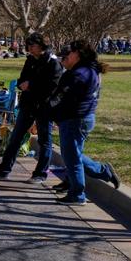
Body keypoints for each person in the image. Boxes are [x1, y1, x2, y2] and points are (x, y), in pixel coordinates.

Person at [47, 41, 120, 206]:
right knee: (73, 155)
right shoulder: (89, 70)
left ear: (77, 54)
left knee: (71, 157)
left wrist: (53, 115)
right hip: (82, 118)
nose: (67, 55)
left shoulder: (79, 74)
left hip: (76, 119)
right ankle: (104, 171)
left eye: (70, 52)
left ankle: (77, 194)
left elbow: (64, 100)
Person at [0, 33, 64, 183]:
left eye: (32, 45)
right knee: (15, 138)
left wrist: (31, 85)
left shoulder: (53, 63)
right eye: (28, 45)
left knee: (44, 141)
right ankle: (4, 169)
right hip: (28, 104)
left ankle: (40, 173)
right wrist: (24, 84)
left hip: (44, 107)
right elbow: (22, 79)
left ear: (41, 45)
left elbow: (52, 87)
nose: (29, 49)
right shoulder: (30, 60)